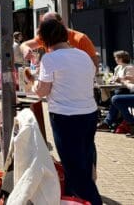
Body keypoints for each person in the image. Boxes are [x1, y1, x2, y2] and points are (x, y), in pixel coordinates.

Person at [31, 19, 102, 205]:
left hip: (66, 117)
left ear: (45, 39)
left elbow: (42, 91)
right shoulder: (83, 55)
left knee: (74, 169)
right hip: (89, 113)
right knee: (85, 161)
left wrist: (33, 83)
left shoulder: (50, 58)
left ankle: (91, 201)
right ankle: (74, 199)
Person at [20, 12, 99, 68]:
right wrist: (26, 49)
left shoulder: (81, 38)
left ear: (61, 23)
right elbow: (24, 45)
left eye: (51, 25)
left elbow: (95, 66)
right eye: (45, 26)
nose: (48, 28)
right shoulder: (45, 37)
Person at [97, 50, 134, 133]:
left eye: (116, 57)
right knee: (113, 95)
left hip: (127, 90)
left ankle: (109, 122)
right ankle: (111, 121)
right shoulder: (117, 68)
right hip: (118, 89)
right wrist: (113, 80)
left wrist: (120, 79)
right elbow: (114, 79)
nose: (115, 59)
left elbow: (131, 80)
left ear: (121, 58)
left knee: (116, 97)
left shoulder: (129, 67)